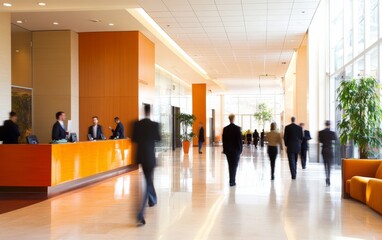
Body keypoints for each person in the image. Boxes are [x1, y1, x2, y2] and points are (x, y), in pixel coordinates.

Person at [132, 105, 161, 226]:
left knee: (148, 179)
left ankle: (152, 199)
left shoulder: (136, 124)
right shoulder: (154, 125)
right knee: (149, 180)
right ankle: (141, 213)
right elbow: (159, 139)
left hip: (140, 157)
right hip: (150, 157)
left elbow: (133, 139)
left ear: (143, 111)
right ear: (151, 111)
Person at [222, 114, 243, 187]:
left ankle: (231, 180)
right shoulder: (237, 128)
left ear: (229, 119)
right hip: (236, 151)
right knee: (234, 165)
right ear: (234, 119)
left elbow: (223, 140)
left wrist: (224, 149)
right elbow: (239, 141)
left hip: (228, 151)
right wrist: (240, 150)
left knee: (230, 165)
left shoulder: (225, 129)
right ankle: (232, 181)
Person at [319, 120, 337, 186]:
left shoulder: (321, 132)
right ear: (330, 125)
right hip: (330, 149)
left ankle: (326, 176)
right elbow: (336, 139)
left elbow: (320, 140)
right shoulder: (332, 132)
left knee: (325, 164)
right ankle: (328, 177)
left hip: (324, 149)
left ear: (325, 124)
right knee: (329, 165)